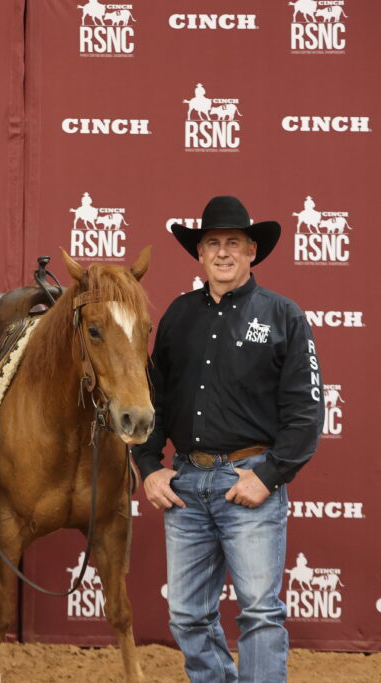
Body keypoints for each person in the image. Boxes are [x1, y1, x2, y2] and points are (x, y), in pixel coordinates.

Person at [132, 196, 323, 682]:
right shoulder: (177, 315)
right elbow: (153, 398)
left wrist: (269, 476)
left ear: (252, 250)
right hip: (186, 486)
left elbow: (306, 413)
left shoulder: (283, 315)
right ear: (199, 253)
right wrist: (149, 466)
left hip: (249, 480)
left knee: (259, 612)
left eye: (233, 242)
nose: (222, 252)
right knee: (187, 615)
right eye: (212, 243)